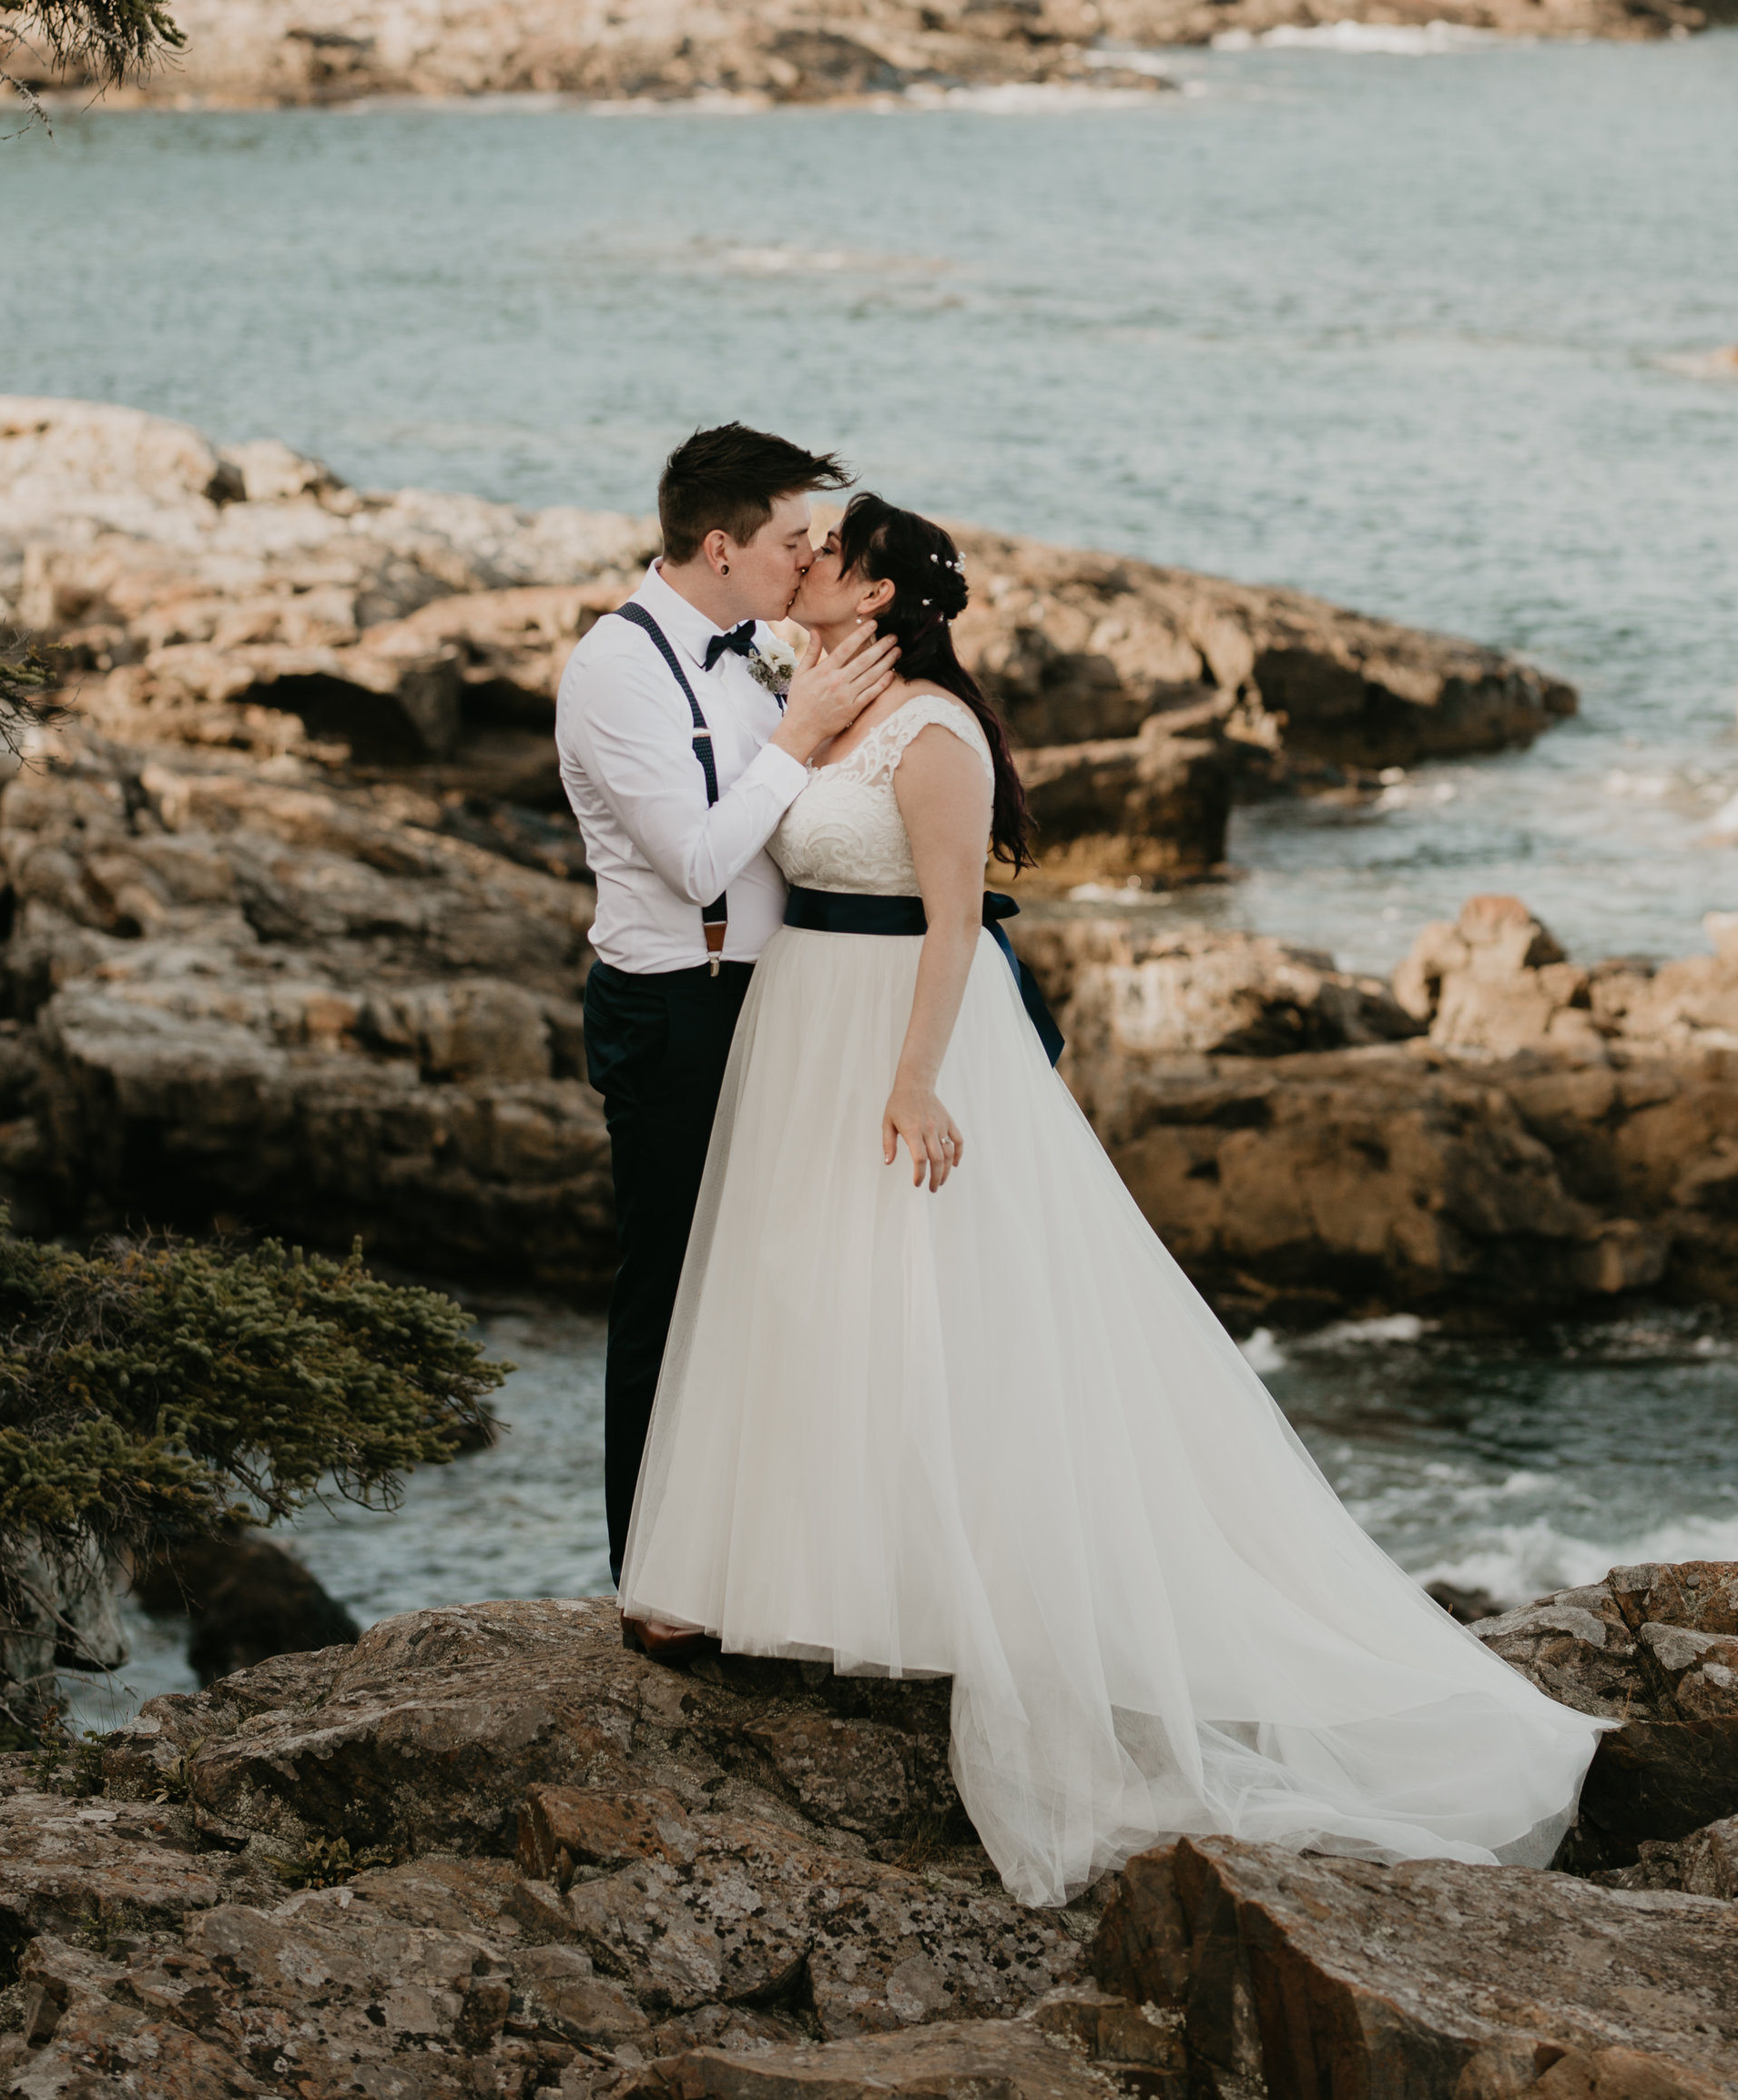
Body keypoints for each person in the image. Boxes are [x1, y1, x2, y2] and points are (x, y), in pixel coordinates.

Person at [619, 492, 1601, 1906]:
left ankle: (972, 1599)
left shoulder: (933, 732)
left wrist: (914, 1078)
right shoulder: (813, 697)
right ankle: (778, 1582)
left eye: (829, 550)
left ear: (882, 592)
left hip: (893, 1030)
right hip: (796, 1025)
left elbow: (956, 923)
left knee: (933, 1303)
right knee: (802, 1288)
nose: (804, 558)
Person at [554, 421, 899, 1630]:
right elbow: (695, 850)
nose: (809, 558)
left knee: (773, 1283)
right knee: (670, 1283)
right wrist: (800, 736)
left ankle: (753, 1558)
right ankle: (652, 1580)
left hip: (776, 1000)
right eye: (793, 539)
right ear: (721, 544)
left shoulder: (757, 651)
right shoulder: (615, 672)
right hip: (673, 1008)